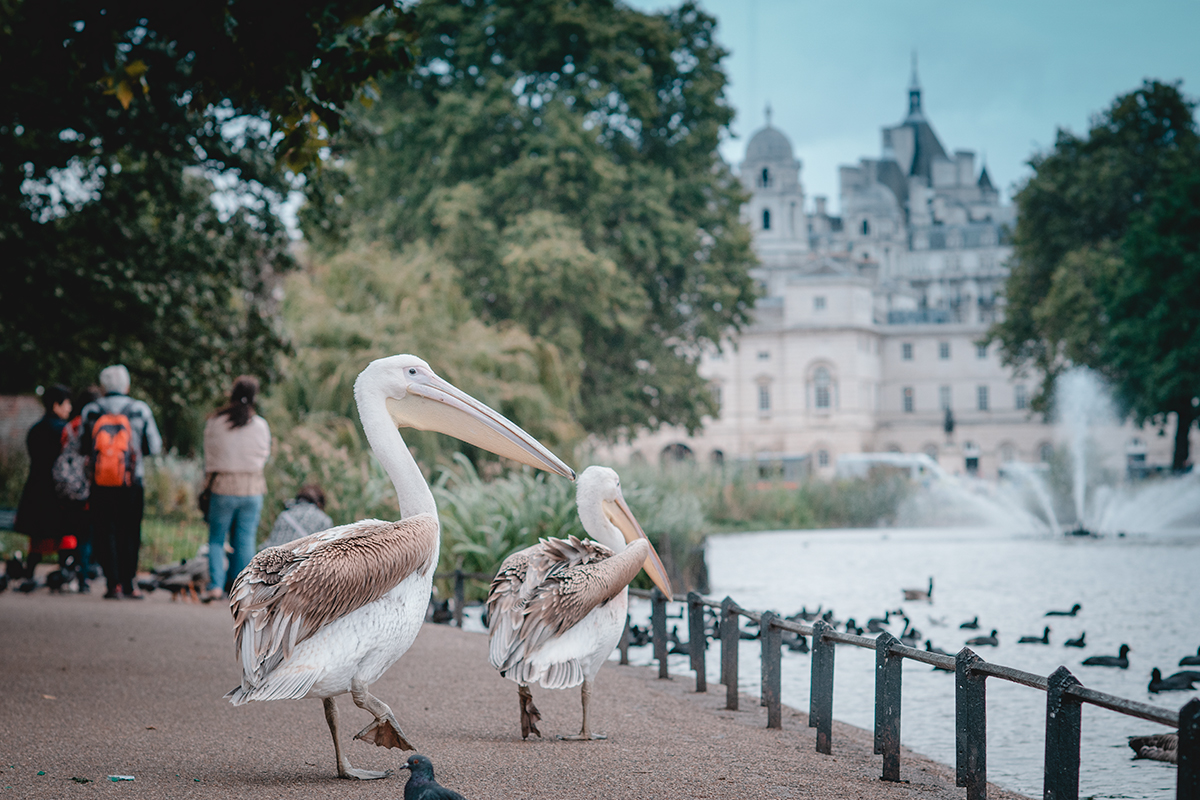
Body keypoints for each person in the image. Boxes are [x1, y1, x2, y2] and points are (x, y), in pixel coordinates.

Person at [79, 365, 163, 599]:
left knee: (105, 531)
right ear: (126, 386)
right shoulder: (139, 409)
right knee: (130, 531)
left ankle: (112, 584)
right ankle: (130, 583)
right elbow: (153, 447)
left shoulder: (91, 410)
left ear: (104, 387)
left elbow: (81, 446)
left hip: (100, 482)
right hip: (132, 482)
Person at [201, 375, 270, 602]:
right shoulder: (260, 425)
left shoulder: (215, 422)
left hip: (223, 486)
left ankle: (215, 586)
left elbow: (210, 458)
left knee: (216, 540)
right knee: (245, 540)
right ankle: (243, 590)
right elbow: (263, 457)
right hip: (252, 489)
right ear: (254, 397)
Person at [14, 384, 72, 584]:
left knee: (38, 535)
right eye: (66, 403)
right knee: (64, 529)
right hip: (57, 488)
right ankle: (65, 572)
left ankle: (29, 571)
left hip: (36, 486)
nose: (69, 408)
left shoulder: (35, 430)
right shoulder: (64, 431)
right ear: (56, 405)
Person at [57, 386, 102, 592]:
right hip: (87, 485)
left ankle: (65, 573)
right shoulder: (95, 426)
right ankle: (84, 577)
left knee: (67, 531)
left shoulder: (69, 426)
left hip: (67, 485)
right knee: (86, 535)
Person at [259, 484, 333, 551]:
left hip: (272, 559)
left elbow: (269, 543)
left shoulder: (285, 515)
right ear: (320, 504)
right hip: (299, 562)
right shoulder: (324, 520)